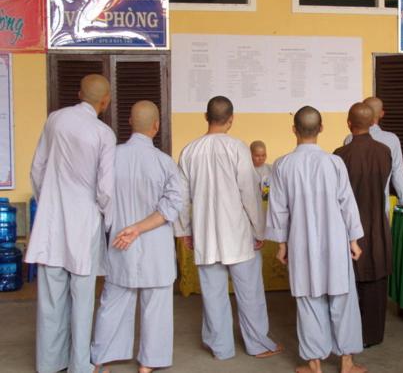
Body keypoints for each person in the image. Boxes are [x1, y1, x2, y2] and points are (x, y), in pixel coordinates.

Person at [175, 96, 281, 361]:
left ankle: (221, 347)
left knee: (213, 294)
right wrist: (259, 231)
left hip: (206, 234)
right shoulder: (237, 148)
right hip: (238, 234)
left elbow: (181, 197)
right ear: (231, 119)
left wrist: (185, 230)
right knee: (250, 292)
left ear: (205, 116)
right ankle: (257, 344)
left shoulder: (189, 151)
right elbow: (250, 194)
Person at [26, 74, 116, 373]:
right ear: (106, 101)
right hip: (83, 224)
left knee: (51, 298)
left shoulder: (55, 120)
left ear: (79, 94)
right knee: (82, 299)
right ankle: (80, 365)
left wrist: (49, 200)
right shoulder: (103, 133)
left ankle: (49, 364)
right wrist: (107, 219)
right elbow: (105, 190)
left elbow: (37, 168)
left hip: (51, 222)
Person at [267, 105, 367, 373]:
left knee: (308, 301)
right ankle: (347, 363)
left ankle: (314, 365)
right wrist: (354, 240)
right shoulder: (334, 163)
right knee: (342, 299)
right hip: (335, 241)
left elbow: (278, 209)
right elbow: (347, 203)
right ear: (321, 128)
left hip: (301, 243)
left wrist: (281, 244)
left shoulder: (283, 165)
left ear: (294, 130)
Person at [91, 101, 183, 373]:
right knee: (156, 305)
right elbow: (172, 207)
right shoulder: (164, 163)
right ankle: (148, 363)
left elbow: (99, 198)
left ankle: (101, 359)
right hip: (155, 246)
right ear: (156, 125)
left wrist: (119, 225)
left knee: (114, 302)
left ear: (130, 122)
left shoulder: (111, 158)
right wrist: (139, 228)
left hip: (120, 241)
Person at [334, 103, 392, 348]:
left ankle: (351, 333)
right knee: (376, 279)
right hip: (377, 224)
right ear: (372, 122)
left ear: (349, 123)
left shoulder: (340, 155)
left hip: (349, 226)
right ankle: (373, 335)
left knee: (349, 280)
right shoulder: (384, 152)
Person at [345, 96, 403, 208]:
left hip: (354, 204)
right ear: (381, 114)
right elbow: (397, 172)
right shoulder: (391, 139)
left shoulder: (350, 139)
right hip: (381, 204)